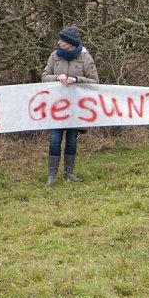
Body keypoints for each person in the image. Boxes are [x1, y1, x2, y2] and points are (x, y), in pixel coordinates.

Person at [41, 26, 99, 186]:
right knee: (54, 139)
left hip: (76, 107)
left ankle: (69, 172)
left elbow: (95, 81)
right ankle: (52, 175)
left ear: (70, 43)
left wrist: (77, 79)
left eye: (62, 40)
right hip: (56, 107)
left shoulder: (85, 58)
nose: (59, 42)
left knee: (72, 140)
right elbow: (44, 76)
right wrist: (56, 78)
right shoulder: (54, 56)